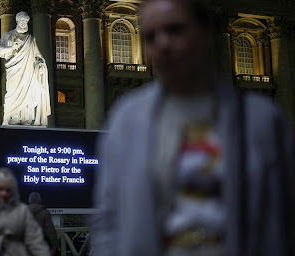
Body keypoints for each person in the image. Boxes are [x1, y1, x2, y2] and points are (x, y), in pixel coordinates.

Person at [91, 0, 295, 255]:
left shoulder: (263, 120)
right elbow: (108, 219)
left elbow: (286, 217)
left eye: (175, 30)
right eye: (151, 36)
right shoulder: (126, 121)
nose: (163, 44)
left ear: (207, 31)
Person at [0, 11, 51, 126]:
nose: (23, 24)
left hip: (28, 71)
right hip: (14, 70)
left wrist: (41, 65)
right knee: (12, 93)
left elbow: (38, 56)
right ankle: (13, 117)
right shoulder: (8, 35)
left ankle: (26, 119)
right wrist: (11, 47)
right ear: (17, 21)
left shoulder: (31, 39)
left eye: (25, 22)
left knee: (28, 94)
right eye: (21, 22)